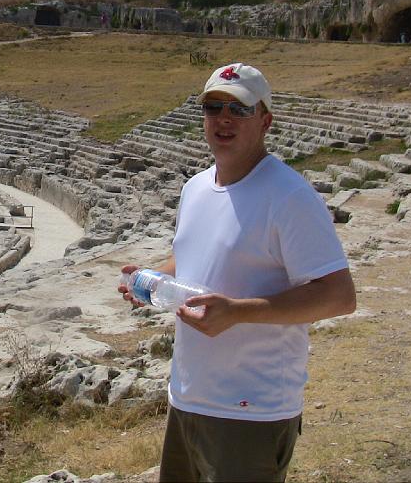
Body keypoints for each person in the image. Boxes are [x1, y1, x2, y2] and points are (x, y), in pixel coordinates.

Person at [122, 63, 356, 482]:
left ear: (265, 120)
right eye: (214, 107)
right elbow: (196, 257)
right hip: (188, 399)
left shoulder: (289, 196)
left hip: (252, 409)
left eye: (240, 109)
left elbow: (338, 295)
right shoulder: (195, 188)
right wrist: (152, 279)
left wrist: (237, 311)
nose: (223, 119)